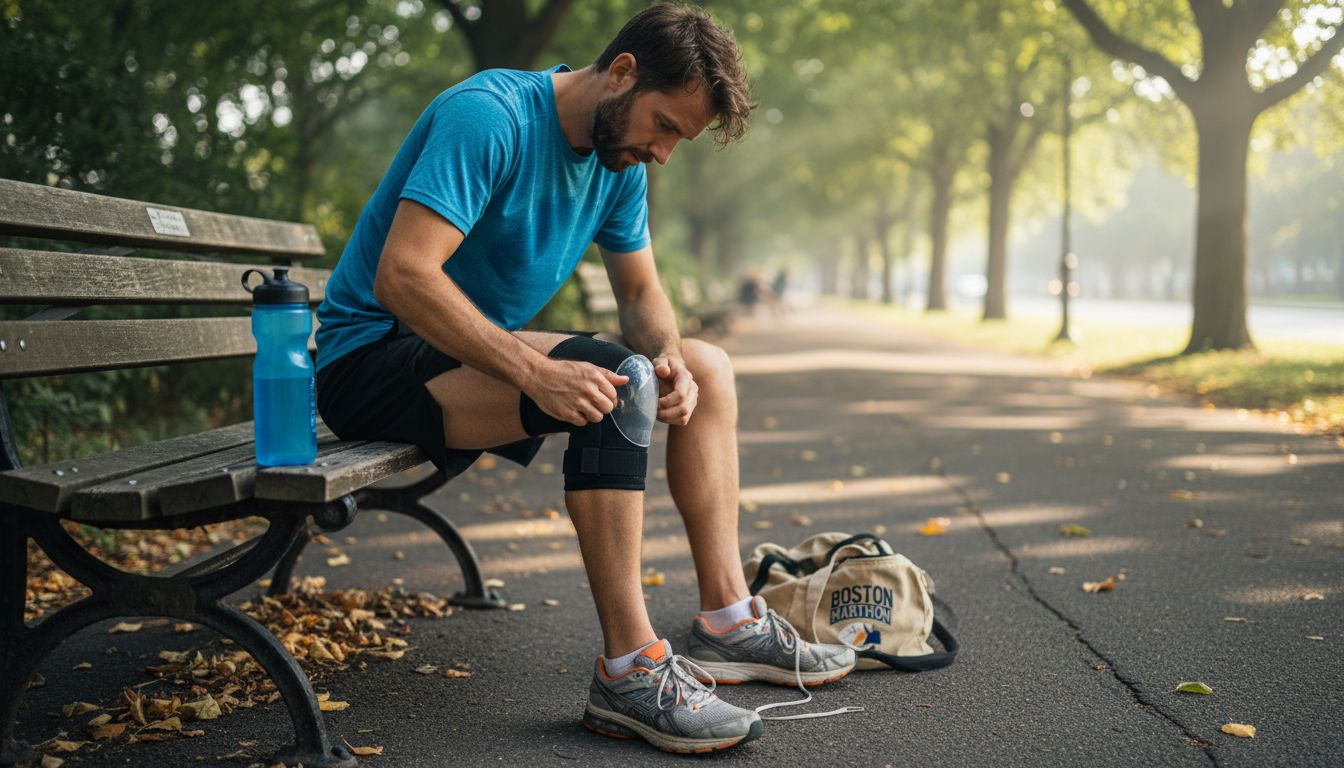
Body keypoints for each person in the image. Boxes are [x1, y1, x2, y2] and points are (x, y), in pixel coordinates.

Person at [313, 3, 855, 754]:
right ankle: (630, 670)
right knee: (616, 381)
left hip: (456, 363)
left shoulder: (616, 161)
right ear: (623, 73)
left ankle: (729, 621)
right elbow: (404, 277)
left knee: (706, 366)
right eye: (664, 126)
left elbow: (639, 295)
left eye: (678, 141)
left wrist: (668, 355)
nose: (664, 152)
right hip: (369, 362)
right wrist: (537, 372)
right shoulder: (489, 116)